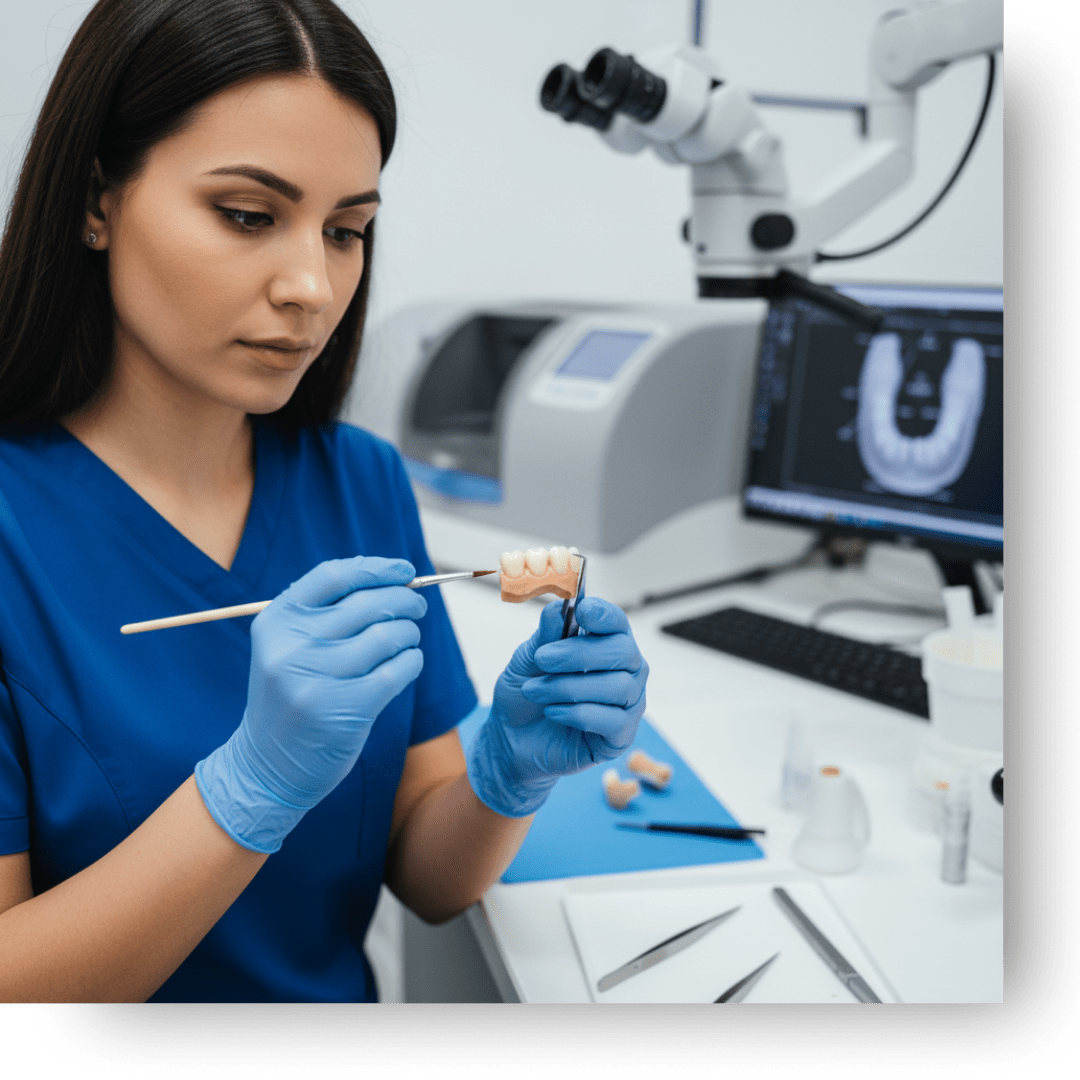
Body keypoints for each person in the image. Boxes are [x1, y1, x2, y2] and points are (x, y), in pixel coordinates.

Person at [0, 0, 648, 1003]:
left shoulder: (361, 482)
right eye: (249, 215)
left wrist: (507, 775)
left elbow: (430, 880)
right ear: (97, 199)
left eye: (347, 230)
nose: (312, 284)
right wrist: (245, 790)